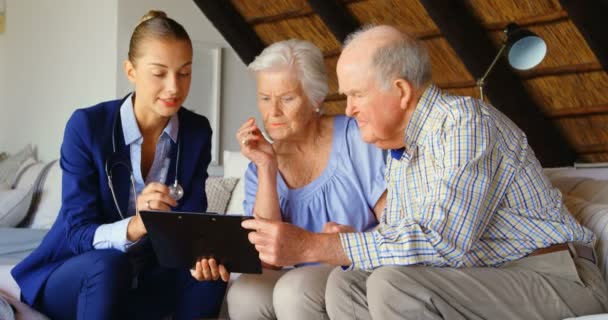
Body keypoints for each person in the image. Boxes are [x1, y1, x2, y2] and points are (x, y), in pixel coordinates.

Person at [242, 25, 608, 319]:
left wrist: (315, 244)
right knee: (346, 283)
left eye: (357, 95)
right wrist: (354, 242)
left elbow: (443, 241)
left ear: (400, 91)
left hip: (555, 275)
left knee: (393, 284)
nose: (349, 110)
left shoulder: (464, 124)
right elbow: (407, 238)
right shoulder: (403, 150)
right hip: (486, 273)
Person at [12, 10, 228, 320]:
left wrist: (204, 252)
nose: (174, 87)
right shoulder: (88, 126)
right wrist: (137, 225)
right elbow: (76, 232)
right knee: (110, 263)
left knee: (212, 273)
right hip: (78, 271)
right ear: (131, 70)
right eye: (159, 73)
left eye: (185, 72)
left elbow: (191, 221)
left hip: (148, 276)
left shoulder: (196, 131)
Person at [226, 39, 387, 320]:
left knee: (294, 288)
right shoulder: (258, 165)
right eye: (265, 98)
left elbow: (397, 228)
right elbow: (266, 259)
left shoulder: (356, 140)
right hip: (291, 276)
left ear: (315, 99)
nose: (273, 112)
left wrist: (352, 240)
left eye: (286, 99)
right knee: (245, 291)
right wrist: (266, 166)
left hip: (354, 269)